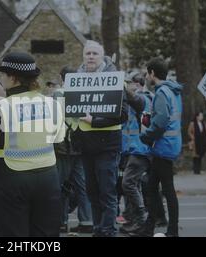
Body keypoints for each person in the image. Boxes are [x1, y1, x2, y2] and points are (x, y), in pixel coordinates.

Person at [0, 52, 65, 237]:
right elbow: (58, 139)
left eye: (3, 74)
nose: (1, 78)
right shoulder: (53, 104)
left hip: (12, 178)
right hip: (48, 176)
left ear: (13, 78)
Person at [73, 40, 128, 237]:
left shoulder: (114, 79)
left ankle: (109, 231)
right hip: (85, 146)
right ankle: (98, 230)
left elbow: (123, 114)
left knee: (107, 193)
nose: (90, 57)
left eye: (94, 53)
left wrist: (94, 120)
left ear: (102, 57)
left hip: (107, 146)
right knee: (92, 193)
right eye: (87, 53)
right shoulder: (76, 80)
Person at [132, 57, 183, 237]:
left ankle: (172, 230)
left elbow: (160, 122)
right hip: (169, 145)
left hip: (163, 148)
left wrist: (145, 136)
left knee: (165, 189)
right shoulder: (173, 91)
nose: (146, 76)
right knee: (152, 186)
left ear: (153, 73)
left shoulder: (162, 92)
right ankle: (150, 227)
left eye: (147, 73)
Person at [53, 66, 92, 234]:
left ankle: (62, 221)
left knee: (62, 186)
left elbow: (55, 119)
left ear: (62, 78)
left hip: (63, 146)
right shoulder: (85, 93)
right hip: (80, 144)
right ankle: (87, 221)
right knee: (82, 185)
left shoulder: (58, 93)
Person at [119, 71, 153, 234]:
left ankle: (141, 220)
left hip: (141, 149)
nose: (128, 86)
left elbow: (135, 100)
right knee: (133, 184)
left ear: (138, 85)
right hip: (133, 148)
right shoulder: (136, 98)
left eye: (129, 83)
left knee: (129, 183)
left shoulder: (144, 97)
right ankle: (135, 219)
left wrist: (121, 86)